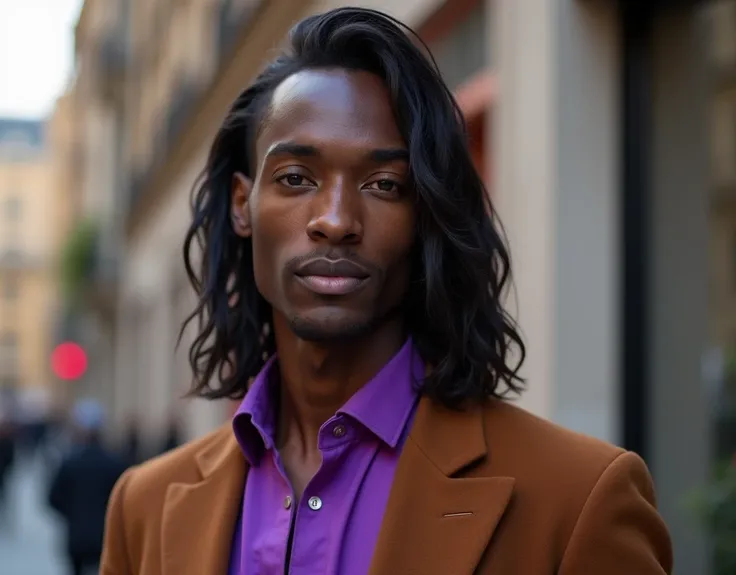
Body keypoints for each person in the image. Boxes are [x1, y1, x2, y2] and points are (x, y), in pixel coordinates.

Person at [100, 7, 673, 575]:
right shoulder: (144, 508)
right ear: (242, 204)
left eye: (384, 184)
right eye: (296, 178)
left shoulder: (576, 500)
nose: (335, 219)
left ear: (425, 215)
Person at [49, 400, 128, 575]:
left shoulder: (70, 462)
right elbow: (126, 498)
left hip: (76, 536)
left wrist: (71, 513)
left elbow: (52, 498)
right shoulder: (114, 463)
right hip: (105, 535)